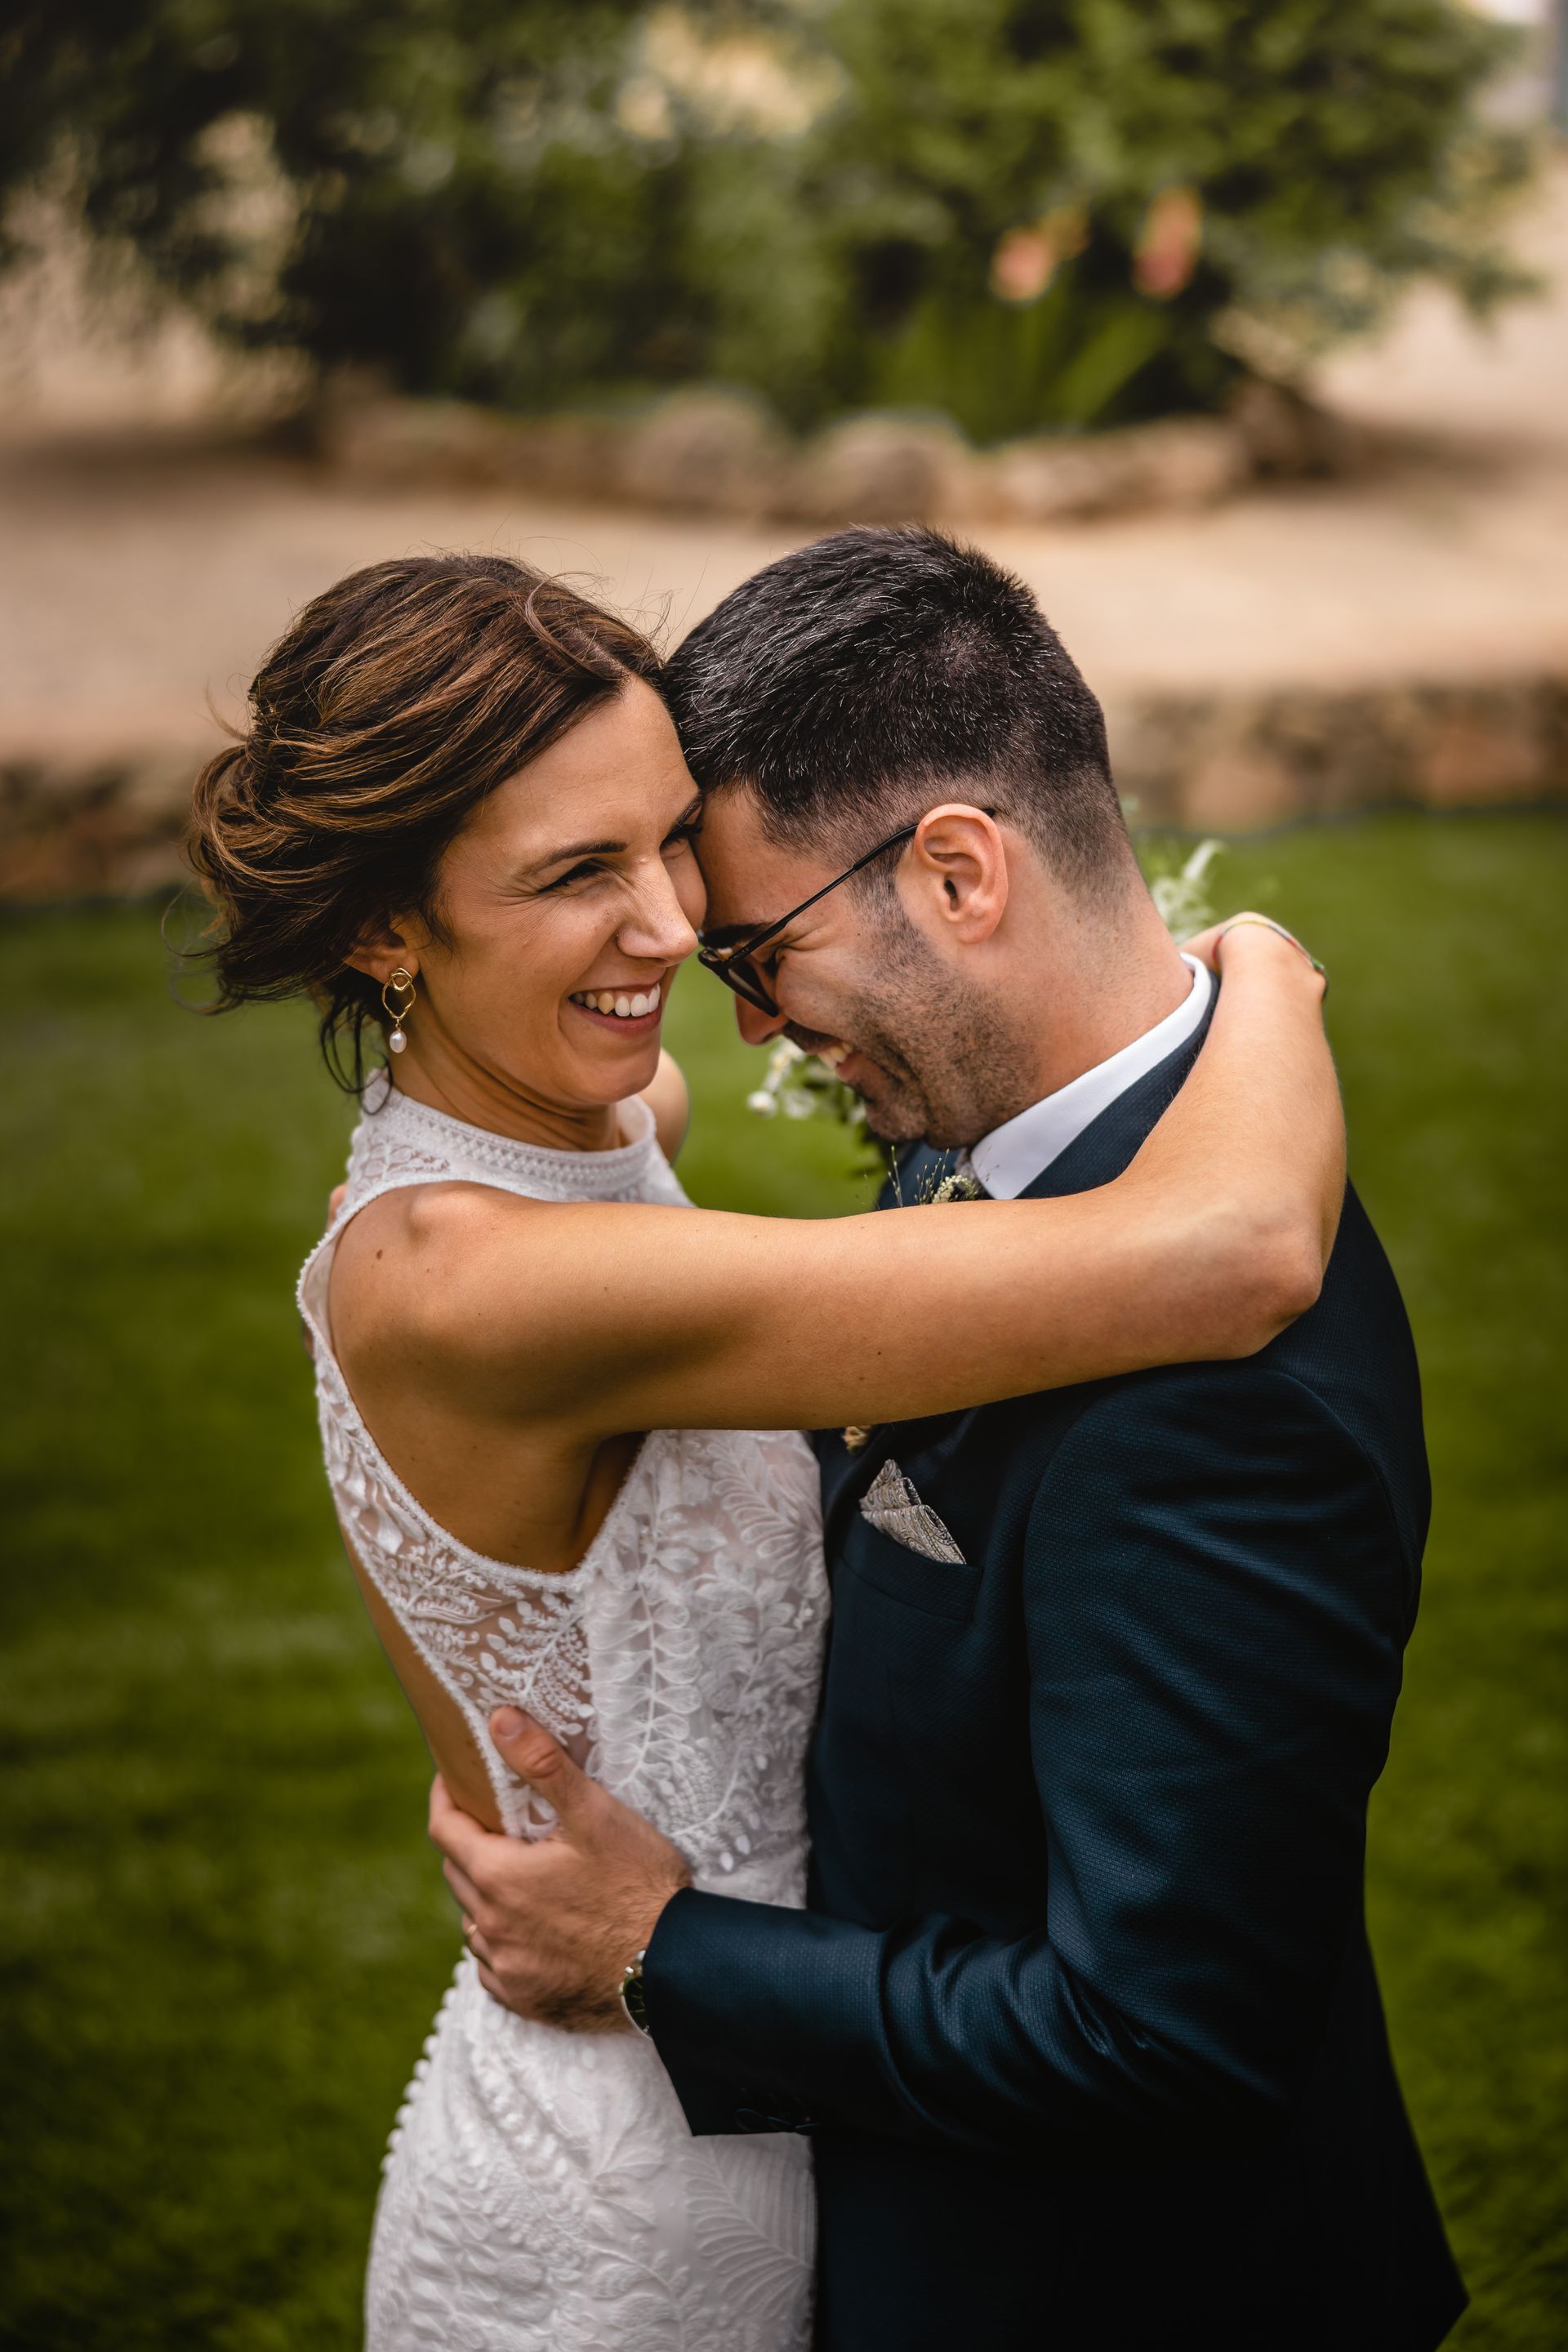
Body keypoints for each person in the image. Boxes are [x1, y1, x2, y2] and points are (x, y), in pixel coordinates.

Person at [189, 546, 1342, 2352]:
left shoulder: (569, 1111)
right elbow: (1244, 1249)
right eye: (578, 875)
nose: (669, 928)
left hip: (782, 2079)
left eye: (667, 840)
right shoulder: (484, 1286)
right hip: (641, 2176)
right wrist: (1261, 964)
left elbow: (640, 1086)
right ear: (386, 928)